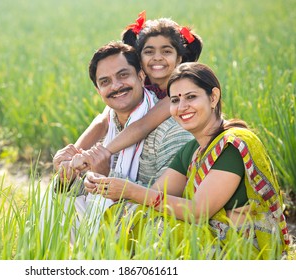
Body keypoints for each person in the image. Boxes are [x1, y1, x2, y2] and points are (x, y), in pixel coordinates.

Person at [84, 62, 290, 259]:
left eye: (191, 97)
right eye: (175, 100)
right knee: (128, 212)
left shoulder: (231, 145)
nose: (182, 107)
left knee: (156, 226)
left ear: (213, 97)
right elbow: (156, 193)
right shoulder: (192, 150)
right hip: (208, 239)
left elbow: (199, 211)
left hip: (241, 250)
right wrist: (103, 182)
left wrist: (130, 190)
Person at [52, 41, 193, 243]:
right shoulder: (106, 127)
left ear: (141, 76)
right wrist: (68, 178)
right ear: (98, 90)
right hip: (117, 218)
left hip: (153, 227)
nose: (116, 86)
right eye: (105, 81)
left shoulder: (171, 130)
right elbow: (86, 192)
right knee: (52, 199)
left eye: (123, 75)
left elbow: (167, 200)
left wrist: (106, 176)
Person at [53, 12, 203, 178]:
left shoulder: (178, 91)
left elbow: (142, 126)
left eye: (166, 51)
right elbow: (103, 120)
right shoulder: (140, 84)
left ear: (179, 58)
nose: (157, 58)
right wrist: (74, 155)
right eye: (149, 52)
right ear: (139, 58)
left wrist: (103, 153)